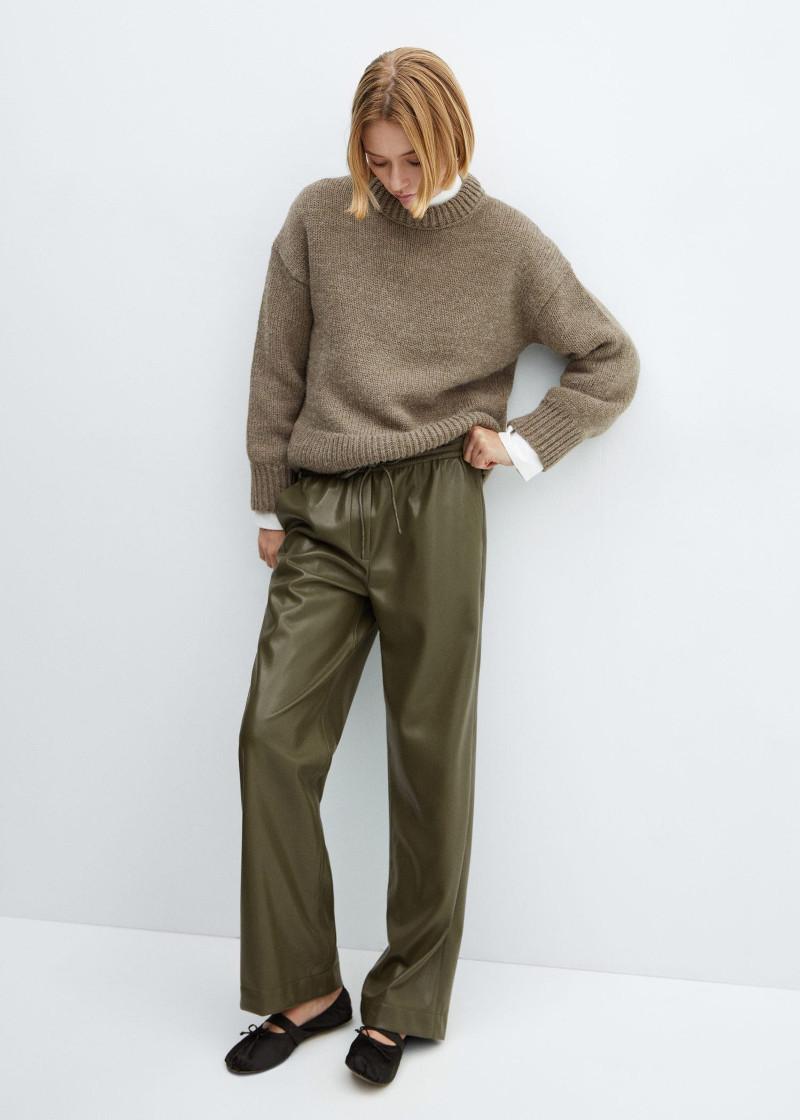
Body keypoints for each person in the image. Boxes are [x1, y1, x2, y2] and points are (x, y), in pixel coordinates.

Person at [224, 46, 640, 1087]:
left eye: (410, 161)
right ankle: (306, 990)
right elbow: (276, 365)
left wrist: (523, 441)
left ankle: (403, 1000)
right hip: (323, 508)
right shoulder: (320, 218)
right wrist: (269, 499)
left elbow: (609, 358)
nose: (395, 183)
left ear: (451, 138)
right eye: (376, 162)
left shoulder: (507, 245)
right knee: (271, 739)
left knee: (429, 760)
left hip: (436, 506)